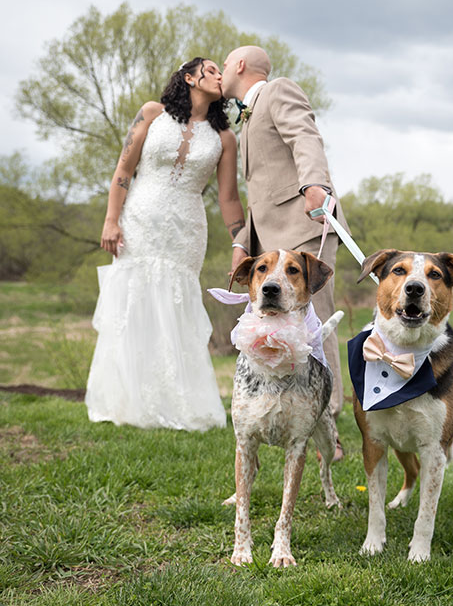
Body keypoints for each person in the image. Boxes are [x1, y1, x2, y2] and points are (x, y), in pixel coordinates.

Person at [85, 57, 245, 431]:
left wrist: (241, 243)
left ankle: (178, 404)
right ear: (189, 78)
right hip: (140, 219)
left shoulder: (225, 138)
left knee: (176, 307)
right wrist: (111, 220)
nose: (220, 76)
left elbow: (229, 199)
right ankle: (125, 401)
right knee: (132, 302)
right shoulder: (151, 113)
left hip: (186, 229)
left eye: (222, 72)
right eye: (211, 71)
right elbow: (124, 170)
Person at [221, 46, 347, 458]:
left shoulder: (278, 91)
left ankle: (327, 421)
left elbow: (305, 137)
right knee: (276, 330)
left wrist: (316, 185)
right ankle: (281, 413)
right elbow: (260, 195)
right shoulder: (245, 120)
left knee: (317, 323)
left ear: (239, 65)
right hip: (270, 239)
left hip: (305, 225)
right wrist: (243, 241)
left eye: (224, 66)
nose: (222, 72)